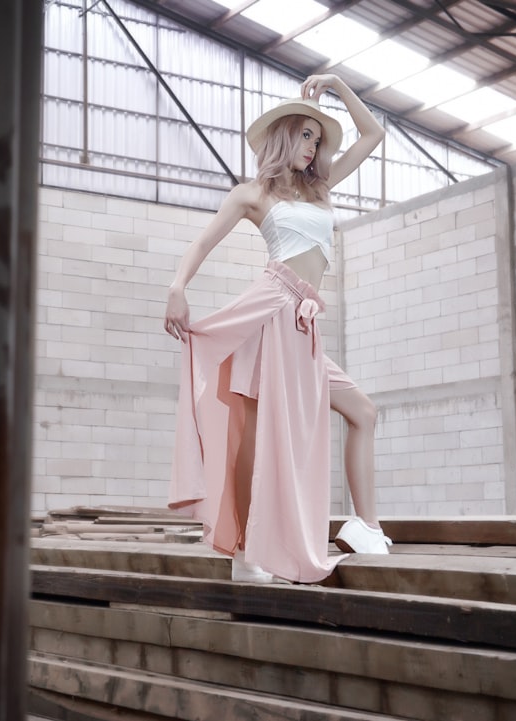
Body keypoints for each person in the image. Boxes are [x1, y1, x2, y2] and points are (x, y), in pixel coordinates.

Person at [164, 74, 392, 585]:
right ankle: (244, 553)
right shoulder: (252, 194)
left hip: (305, 321)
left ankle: (366, 525)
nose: (313, 148)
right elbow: (202, 244)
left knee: (363, 411)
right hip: (271, 311)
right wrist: (178, 286)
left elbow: (373, 136)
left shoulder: (321, 189)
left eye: (318, 139)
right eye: (305, 135)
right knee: (249, 437)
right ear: (285, 135)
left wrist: (336, 86)